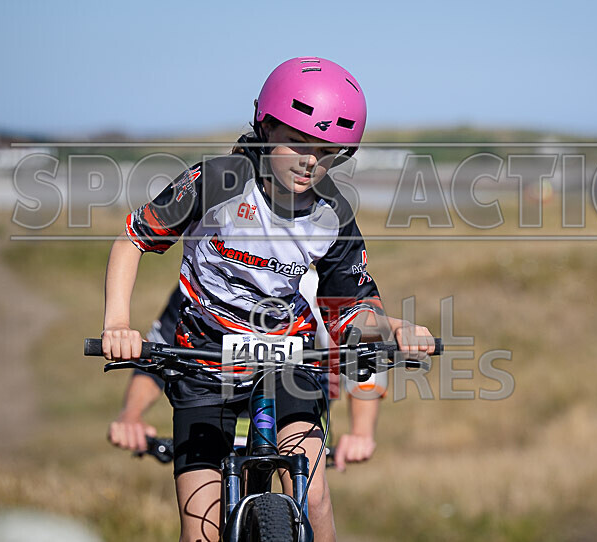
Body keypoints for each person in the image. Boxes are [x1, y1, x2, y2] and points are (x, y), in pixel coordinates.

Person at [101, 57, 436, 542]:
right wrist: (118, 323)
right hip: (203, 360)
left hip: (287, 359)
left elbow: (353, 310)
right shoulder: (216, 182)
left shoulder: (333, 215)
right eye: (297, 143)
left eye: (327, 152)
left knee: (315, 495)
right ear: (264, 125)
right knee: (201, 529)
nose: (309, 162)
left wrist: (394, 329)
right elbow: (132, 241)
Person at [107, 286, 385, 471]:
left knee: (304, 495)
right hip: (218, 404)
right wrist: (131, 416)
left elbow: (363, 362)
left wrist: (361, 432)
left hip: (295, 404)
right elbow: (158, 355)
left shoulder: (314, 288)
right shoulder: (202, 282)